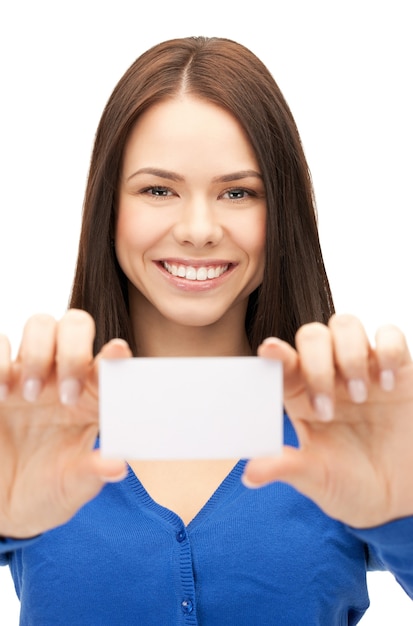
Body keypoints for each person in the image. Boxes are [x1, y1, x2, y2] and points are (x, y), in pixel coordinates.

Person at [0, 35, 412, 625]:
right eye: (158, 190)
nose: (198, 228)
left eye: (238, 192)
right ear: (108, 207)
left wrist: (404, 515)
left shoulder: (349, 433)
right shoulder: (30, 436)